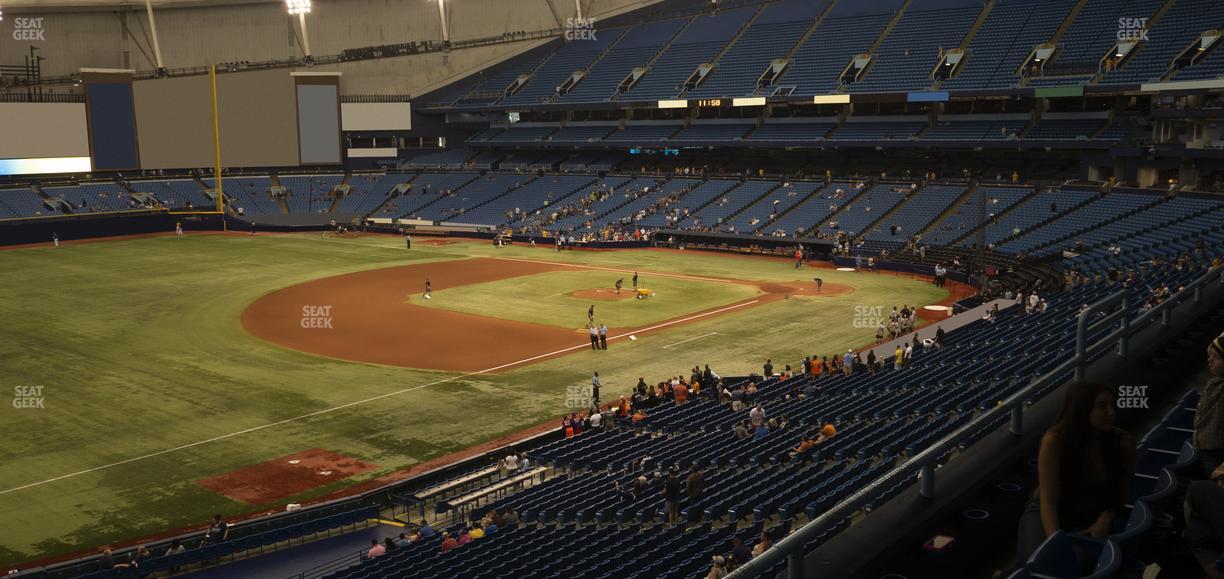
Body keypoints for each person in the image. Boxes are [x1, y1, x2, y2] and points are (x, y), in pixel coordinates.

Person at [1012, 382, 1136, 568]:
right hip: (1047, 513)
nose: (1111, 412)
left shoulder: (1124, 443)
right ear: (1082, 409)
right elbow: (1048, 503)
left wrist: (1104, 520)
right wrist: (1056, 542)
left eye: (1112, 405)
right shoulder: (1054, 441)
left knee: (1076, 564)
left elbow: (1121, 495)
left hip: (1089, 514)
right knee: (1037, 563)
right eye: (1101, 406)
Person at [1195, 330, 1224, 474]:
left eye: (1216, 357)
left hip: (1217, 453)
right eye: (1209, 356)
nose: (1209, 360)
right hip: (1203, 446)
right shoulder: (1216, 381)